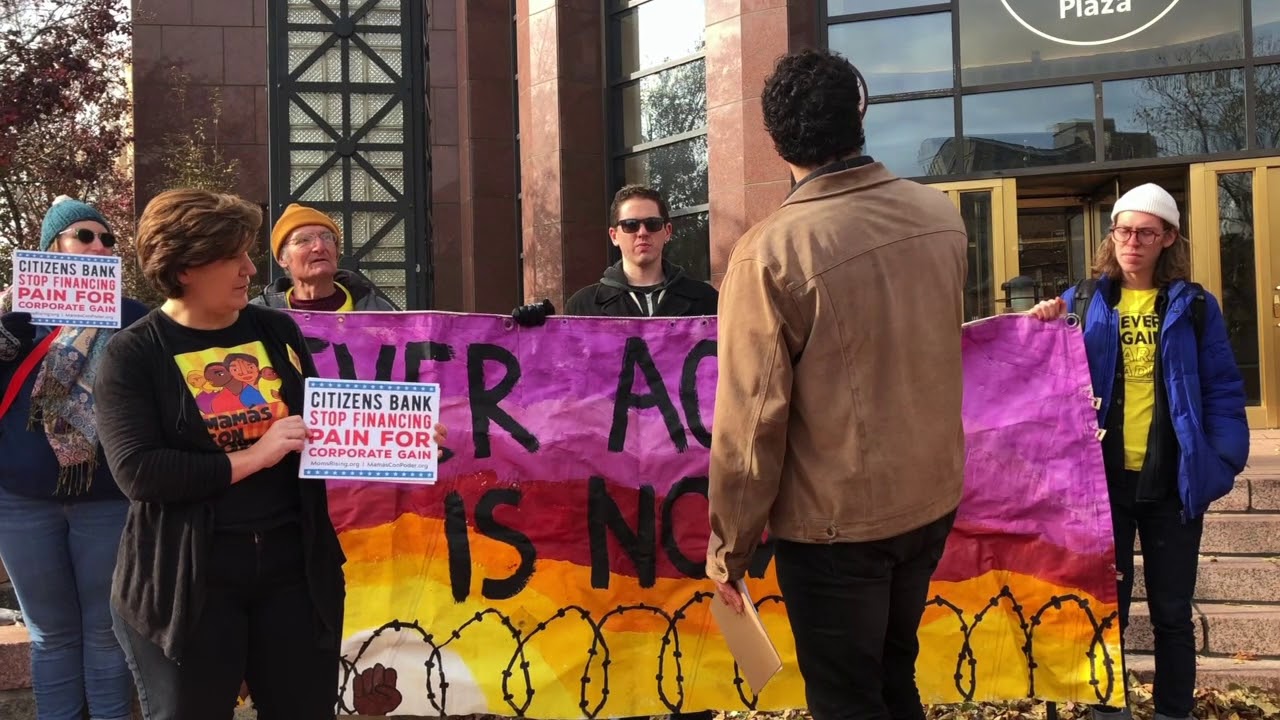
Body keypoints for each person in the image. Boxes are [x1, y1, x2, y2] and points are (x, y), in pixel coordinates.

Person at [93, 188, 445, 719]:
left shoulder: (275, 330)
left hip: (293, 571)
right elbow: (140, 472)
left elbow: (315, 426)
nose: (248, 269)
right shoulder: (134, 352)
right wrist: (254, 457)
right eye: (230, 256)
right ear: (184, 266)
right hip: (188, 582)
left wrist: (400, 436)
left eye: (247, 252)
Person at [705, 48, 967, 720]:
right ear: (860, 113)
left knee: (848, 698)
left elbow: (749, 421)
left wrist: (728, 550)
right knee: (892, 678)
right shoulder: (939, 216)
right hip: (929, 501)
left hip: (834, 526)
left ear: (773, 140)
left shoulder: (771, 252)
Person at [1028, 183, 1248, 720]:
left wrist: (1218, 463)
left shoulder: (1194, 305)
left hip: (1172, 484)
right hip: (1104, 487)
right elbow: (1048, 380)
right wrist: (1040, 326)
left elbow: (1221, 387)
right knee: (1110, 611)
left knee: (1172, 611)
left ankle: (1174, 711)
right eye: (1123, 230)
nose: (1132, 242)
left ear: (1168, 238)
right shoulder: (1084, 300)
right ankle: (1110, 712)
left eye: (1146, 232)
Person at [0, 196, 147, 720]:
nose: (100, 246)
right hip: (21, 503)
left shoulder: (135, 319)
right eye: (84, 236)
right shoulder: (17, 321)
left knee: (106, 634)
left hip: (107, 501)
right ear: (51, 248)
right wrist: (9, 312)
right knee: (50, 635)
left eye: (107, 239)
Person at [562, 185, 718, 318]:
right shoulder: (582, 307)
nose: (642, 232)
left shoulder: (706, 300)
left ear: (668, 231)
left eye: (652, 223)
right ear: (614, 235)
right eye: (630, 224)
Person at [252, 202, 395, 311]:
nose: (320, 247)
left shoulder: (376, 310)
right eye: (303, 240)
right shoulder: (260, 316)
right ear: (282, 258)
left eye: (327, 237)